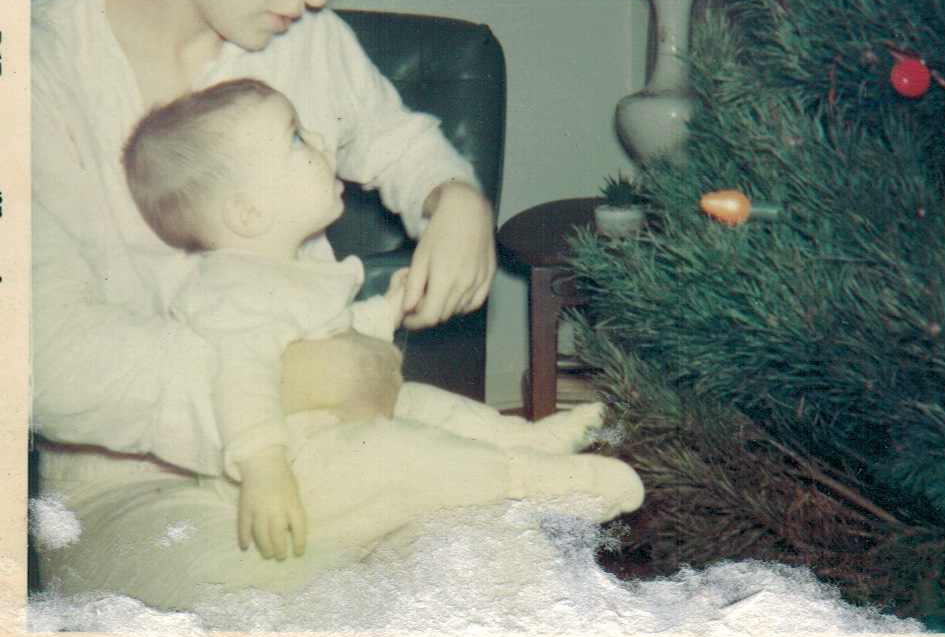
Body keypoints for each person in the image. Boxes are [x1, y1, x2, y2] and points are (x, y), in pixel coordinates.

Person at [30, 0, 546, 610]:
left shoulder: (305, 44)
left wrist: (453, 196)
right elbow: (48, 351)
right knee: (275, 627)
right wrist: (289, 384)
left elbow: (398, 140)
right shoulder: (33, 74)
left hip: (333, 447)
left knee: (514, 574)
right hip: (127, 494)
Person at [120, 78, 644, 563]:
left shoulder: (291, 268)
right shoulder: (231, 290)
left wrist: (388, 309)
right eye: (296, 138)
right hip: (295, 468)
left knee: (421, 403)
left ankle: (522, 440)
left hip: (333, 431)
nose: (320, 140)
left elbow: (336, 333)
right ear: (248, 213)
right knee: (405, 454)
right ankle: (532, 482)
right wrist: (265, 469)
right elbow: (240, 380)